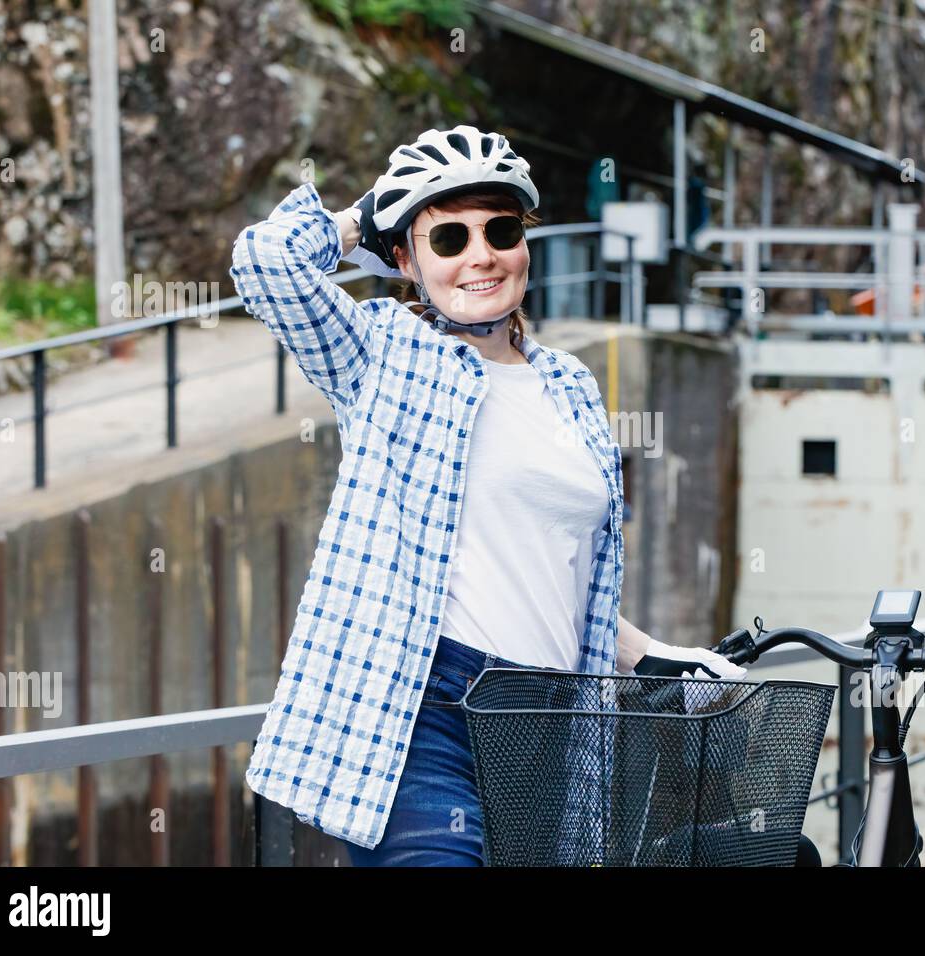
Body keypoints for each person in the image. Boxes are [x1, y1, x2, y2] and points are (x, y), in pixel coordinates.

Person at [229, 124, 745, 866]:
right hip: (425, 711)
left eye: (499, 230)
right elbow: (266, 265)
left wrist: (657, 657)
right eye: (448, 238)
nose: (480, 255)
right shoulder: (382, 353)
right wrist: (365, 218)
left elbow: (563, 572)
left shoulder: (568, 383)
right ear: (405, 258)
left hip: (553, 722)